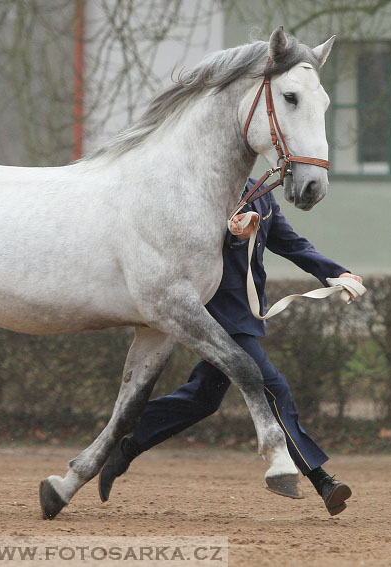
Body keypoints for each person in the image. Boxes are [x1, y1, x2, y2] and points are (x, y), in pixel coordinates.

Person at [99, 178, 363, 516]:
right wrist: (233, 237)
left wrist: (337, 273)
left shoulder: (263, 197)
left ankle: (124, 441)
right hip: (215, 317)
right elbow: (190, 248)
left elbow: (293, 245)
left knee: (202, 399)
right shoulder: (203, 193)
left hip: (242, 316)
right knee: (273, 388)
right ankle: (321, 479)